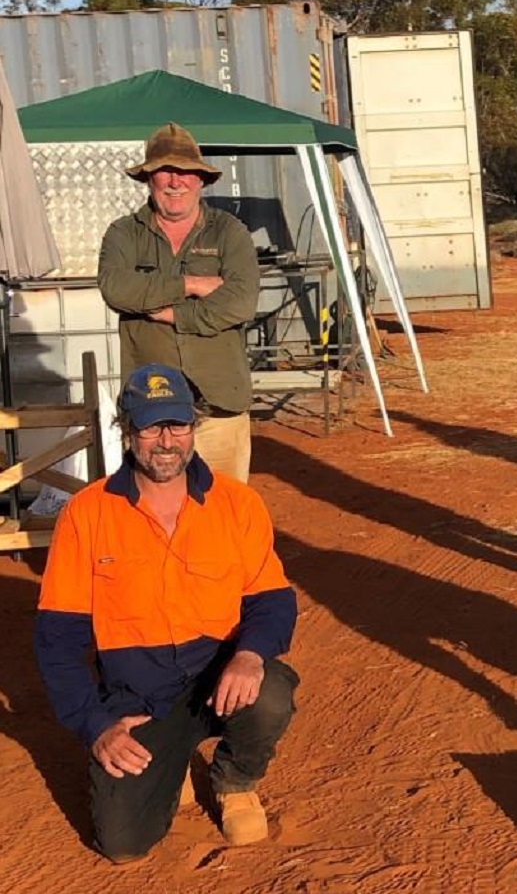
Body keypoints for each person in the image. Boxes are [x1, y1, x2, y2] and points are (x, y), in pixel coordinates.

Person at [34, 363, 299, 861]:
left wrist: (249, 656)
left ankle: (235, 780)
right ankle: (170, 763)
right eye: (150, 426)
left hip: (218, 678)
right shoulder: (86, 514)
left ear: (193, 427)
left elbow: (272, 598)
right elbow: (58, 641)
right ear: (127, 430)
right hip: (139, 697)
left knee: (269, 692)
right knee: (122, 845)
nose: (165, 441)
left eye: (177, 425)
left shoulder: (237, 503)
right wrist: (97, 725)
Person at [98, 122, 259, 482]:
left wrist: (172, 313)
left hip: (220, 405)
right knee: (154, 505)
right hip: (150, 412)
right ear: (148, 178)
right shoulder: (124, 233)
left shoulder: (229, 232)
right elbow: (116, 288)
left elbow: (241, 301)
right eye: (165, 171)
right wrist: (193, 283)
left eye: (185, 171)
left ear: (201, 179)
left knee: (223, 505)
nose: (175, 181)